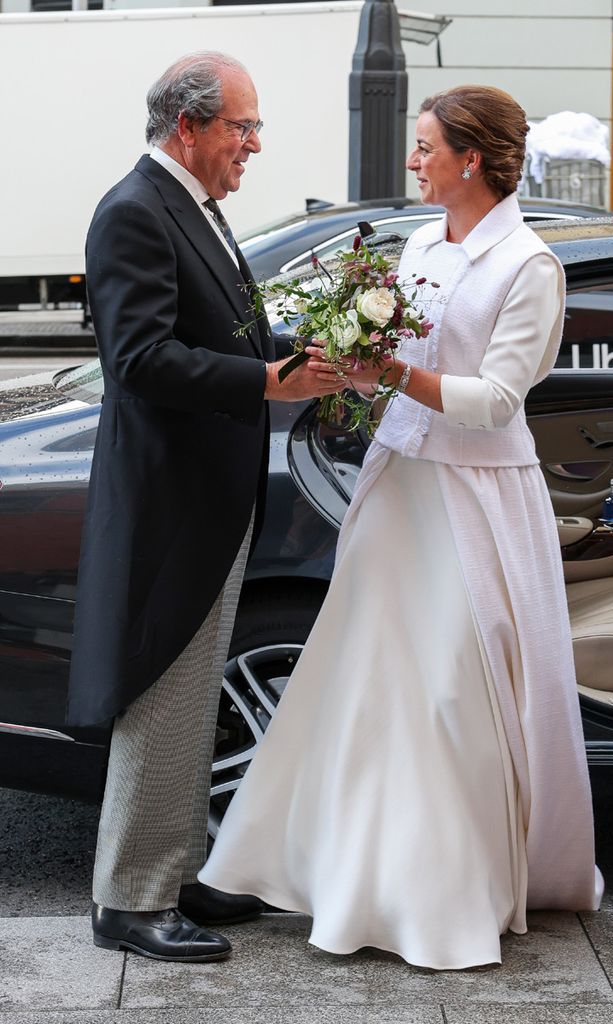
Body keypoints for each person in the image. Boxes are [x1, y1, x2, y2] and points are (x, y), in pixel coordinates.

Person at [199, 84, 604, 970]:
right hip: (398, 487)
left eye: (424, 148)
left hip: (475, 498)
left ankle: (441, 894)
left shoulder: (529, 266)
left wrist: (388, 371)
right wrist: (342, 369)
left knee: (453, 692)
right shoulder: (419, 243)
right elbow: (396, 366)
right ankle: (322, 872)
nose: (413, 162)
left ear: (471, 158)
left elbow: (495, 402)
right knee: (362, 679)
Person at [66, 51, 344, 963]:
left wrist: (309, 353)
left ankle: (174, 875)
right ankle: (130, 901)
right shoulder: (133, 211)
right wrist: (262, 380)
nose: (254, 144)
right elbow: (139, 362)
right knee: (164, 694)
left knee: (191, 698)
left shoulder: (197, 208)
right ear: (188, 126)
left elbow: (235, 335)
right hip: (168, 503)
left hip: (207, 499)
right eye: (242, 127)